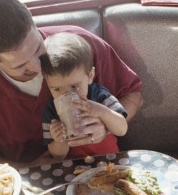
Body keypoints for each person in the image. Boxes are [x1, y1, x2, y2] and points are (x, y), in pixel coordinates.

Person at [0, 0, 142, 169]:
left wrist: (106, 127)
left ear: (33, 21)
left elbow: (132, 94)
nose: (37, 66)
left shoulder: (81, 46)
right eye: (20, 66)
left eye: (38, 49)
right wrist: (26, 170)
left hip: (105, 166)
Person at [40, 32, 128, 160]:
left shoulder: (99, 95)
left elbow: (122, 129)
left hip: (109, 160)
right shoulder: (51, 110)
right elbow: (58, 155)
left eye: (75, 86)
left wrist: (103, 112)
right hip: (74, 168)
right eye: (57, 89)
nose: (67, 95)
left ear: (90, 76)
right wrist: (58, 139)